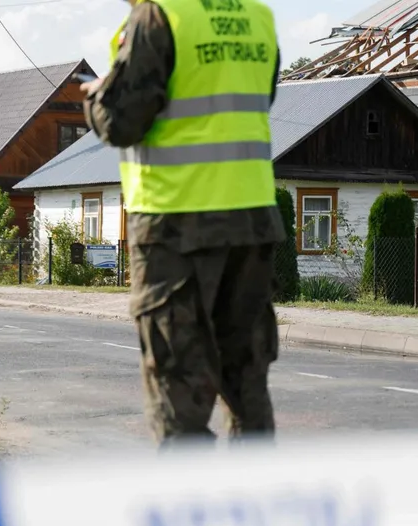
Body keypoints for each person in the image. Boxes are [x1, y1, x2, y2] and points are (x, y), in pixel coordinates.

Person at [80, 0, 285, 447]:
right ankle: (258, 488)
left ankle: (189, 490)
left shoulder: (158, 16)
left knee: (179, 390)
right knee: (247, 385)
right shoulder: (257, 16)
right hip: (251, 221)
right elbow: (256, 102)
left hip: (175, 224)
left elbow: (121, 122)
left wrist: (96, 94)